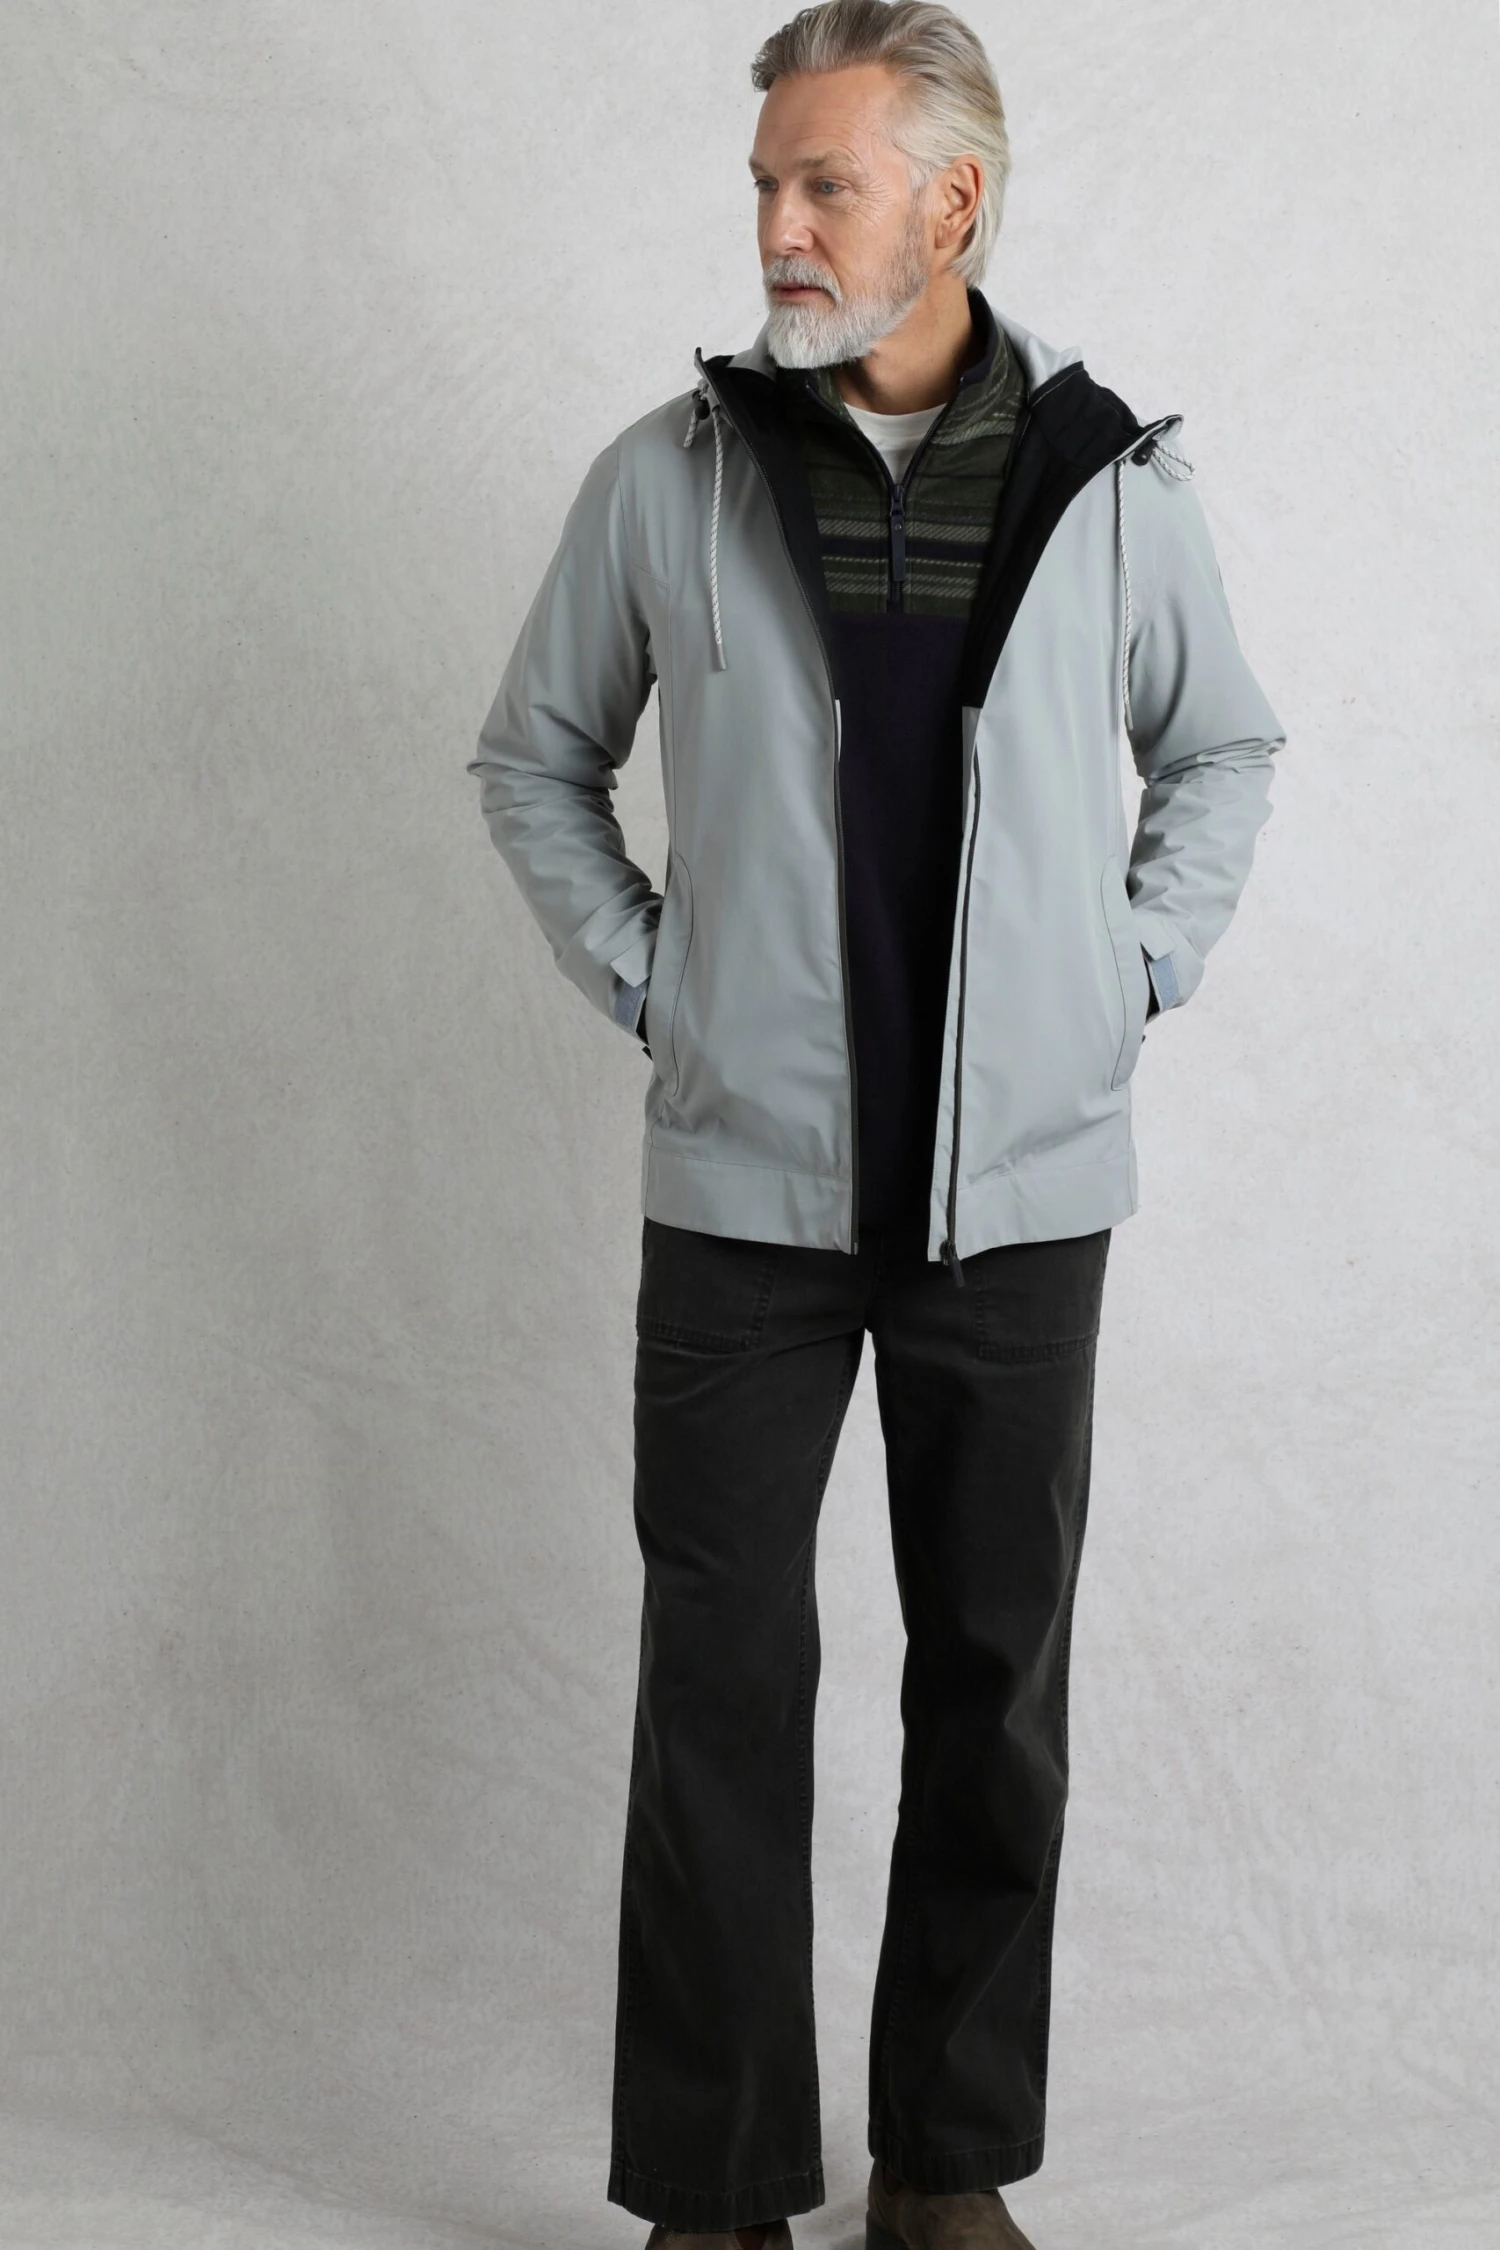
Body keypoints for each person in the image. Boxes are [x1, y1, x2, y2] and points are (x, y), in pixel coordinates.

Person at [467, 4, 1285, 2245]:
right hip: (747, 1189)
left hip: (1020, 1191)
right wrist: (659, 982)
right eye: (765, 182)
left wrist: (1131, 970)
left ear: (955, 202)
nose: (779, 226)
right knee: (718, 1684)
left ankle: (946, 2171)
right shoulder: (672, 475)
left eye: (824, 181)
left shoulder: (1109, 480)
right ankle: (717, 2187)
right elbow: (533, 757)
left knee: (997, 1684)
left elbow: (1222, 747)